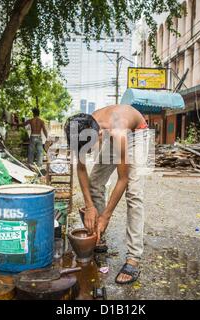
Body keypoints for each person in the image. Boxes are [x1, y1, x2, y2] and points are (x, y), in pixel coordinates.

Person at [64, 105, 149, 285]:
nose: (87, 154)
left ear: (98, 136)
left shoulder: (118, 133)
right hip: (111, 134)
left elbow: (122, 179)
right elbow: (80, 168)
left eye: (89, 149)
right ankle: (98, 236)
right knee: (95, 182)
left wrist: (106, 216)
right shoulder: (82, 125)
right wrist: (89, 206)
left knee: (134, 194)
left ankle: (133, 258)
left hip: (136, 135)